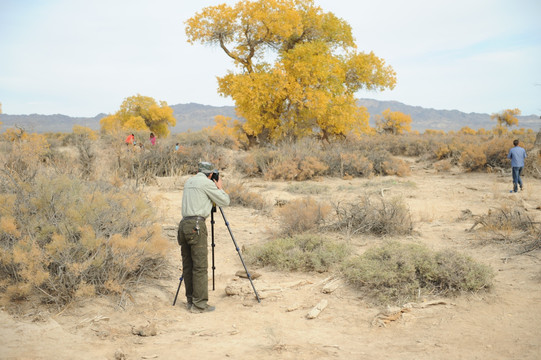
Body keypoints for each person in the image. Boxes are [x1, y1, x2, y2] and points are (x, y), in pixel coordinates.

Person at [177, 161, 230, 313]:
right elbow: (225, 201)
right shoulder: (206, 183)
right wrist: (219, 188)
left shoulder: (189, 181)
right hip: (197, 226)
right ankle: (199, 304)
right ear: (211, 174)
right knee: (200, 267)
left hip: (183, 225)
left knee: (188, 265)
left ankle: (190, 300)